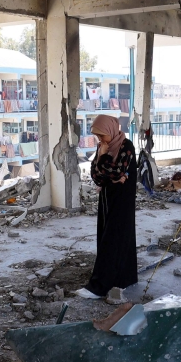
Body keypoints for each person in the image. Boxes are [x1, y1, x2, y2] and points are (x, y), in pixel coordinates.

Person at [77, 115, 138, 299]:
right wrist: (104, 164)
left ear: (111, 130)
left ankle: (99, 286)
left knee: (114, 240)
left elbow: (118, 171)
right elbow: (96, 175)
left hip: (122, 200)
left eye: (102, 135)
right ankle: (123, 279)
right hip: (106, 198)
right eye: (98, 136)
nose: (100, 140)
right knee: (107, 237)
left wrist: (103, 161)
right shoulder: (102, 148)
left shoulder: (126, 147)